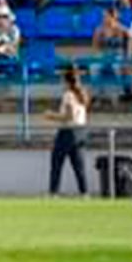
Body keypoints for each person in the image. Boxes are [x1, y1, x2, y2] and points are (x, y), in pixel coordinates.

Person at [49, 67, 92, 197]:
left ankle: (53, 193)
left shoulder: (68, 94)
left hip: (68, 131)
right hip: (81, 131)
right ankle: (84, 193)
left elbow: (68, 116)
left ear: (67, 81)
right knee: (79, 166)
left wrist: (50, 116)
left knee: (56, 163)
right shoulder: (83, 94)